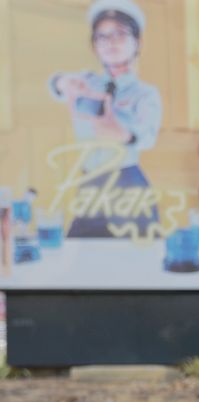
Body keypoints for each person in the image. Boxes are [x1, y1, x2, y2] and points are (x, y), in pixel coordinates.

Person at [49, 0, 162, 238]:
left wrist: (124, 134)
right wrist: (62, 82)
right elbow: (56, 86)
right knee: (80, 250)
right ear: (94, 45)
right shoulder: (85, 82)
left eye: (120, 34)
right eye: (102, 36)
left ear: (137, 43)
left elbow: (148, 136)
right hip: (91, 181)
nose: (111, 42)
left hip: (127, 183)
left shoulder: (145, 93)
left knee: (139, 256)